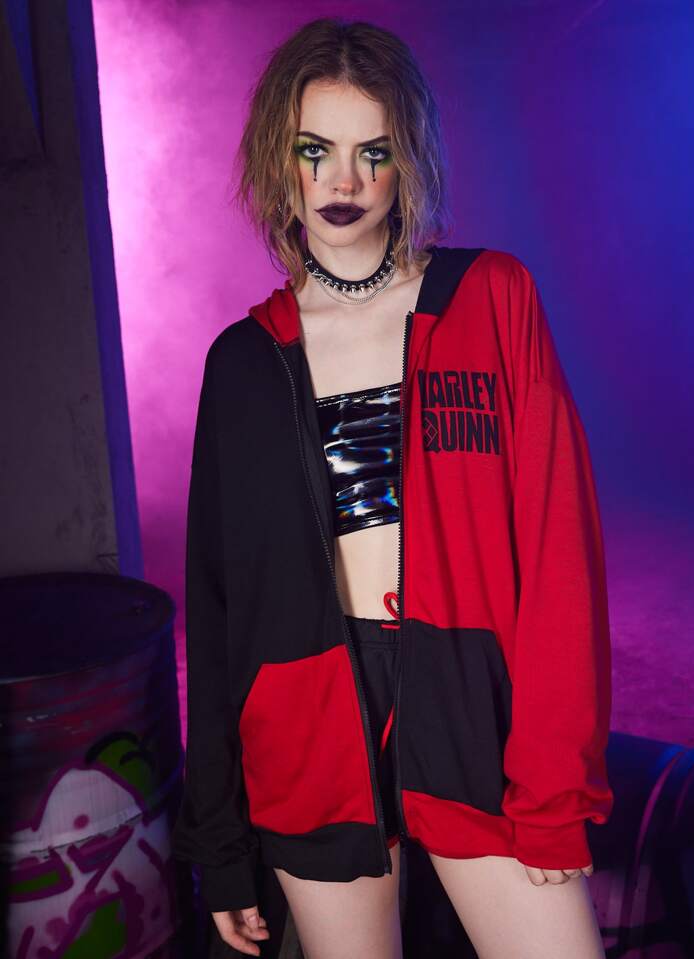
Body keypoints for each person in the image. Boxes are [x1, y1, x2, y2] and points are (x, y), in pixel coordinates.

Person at [170, 16, 614, 959]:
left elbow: (559, 551)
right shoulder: (243, 362)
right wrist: (221, 846)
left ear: (407, 159)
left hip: (469, 700)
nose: (343, 181)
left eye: (372, 151)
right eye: (316, 150)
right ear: (279, 158)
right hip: (309, 725)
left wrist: (553, 787)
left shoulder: (489, 299)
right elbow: (215, 617)